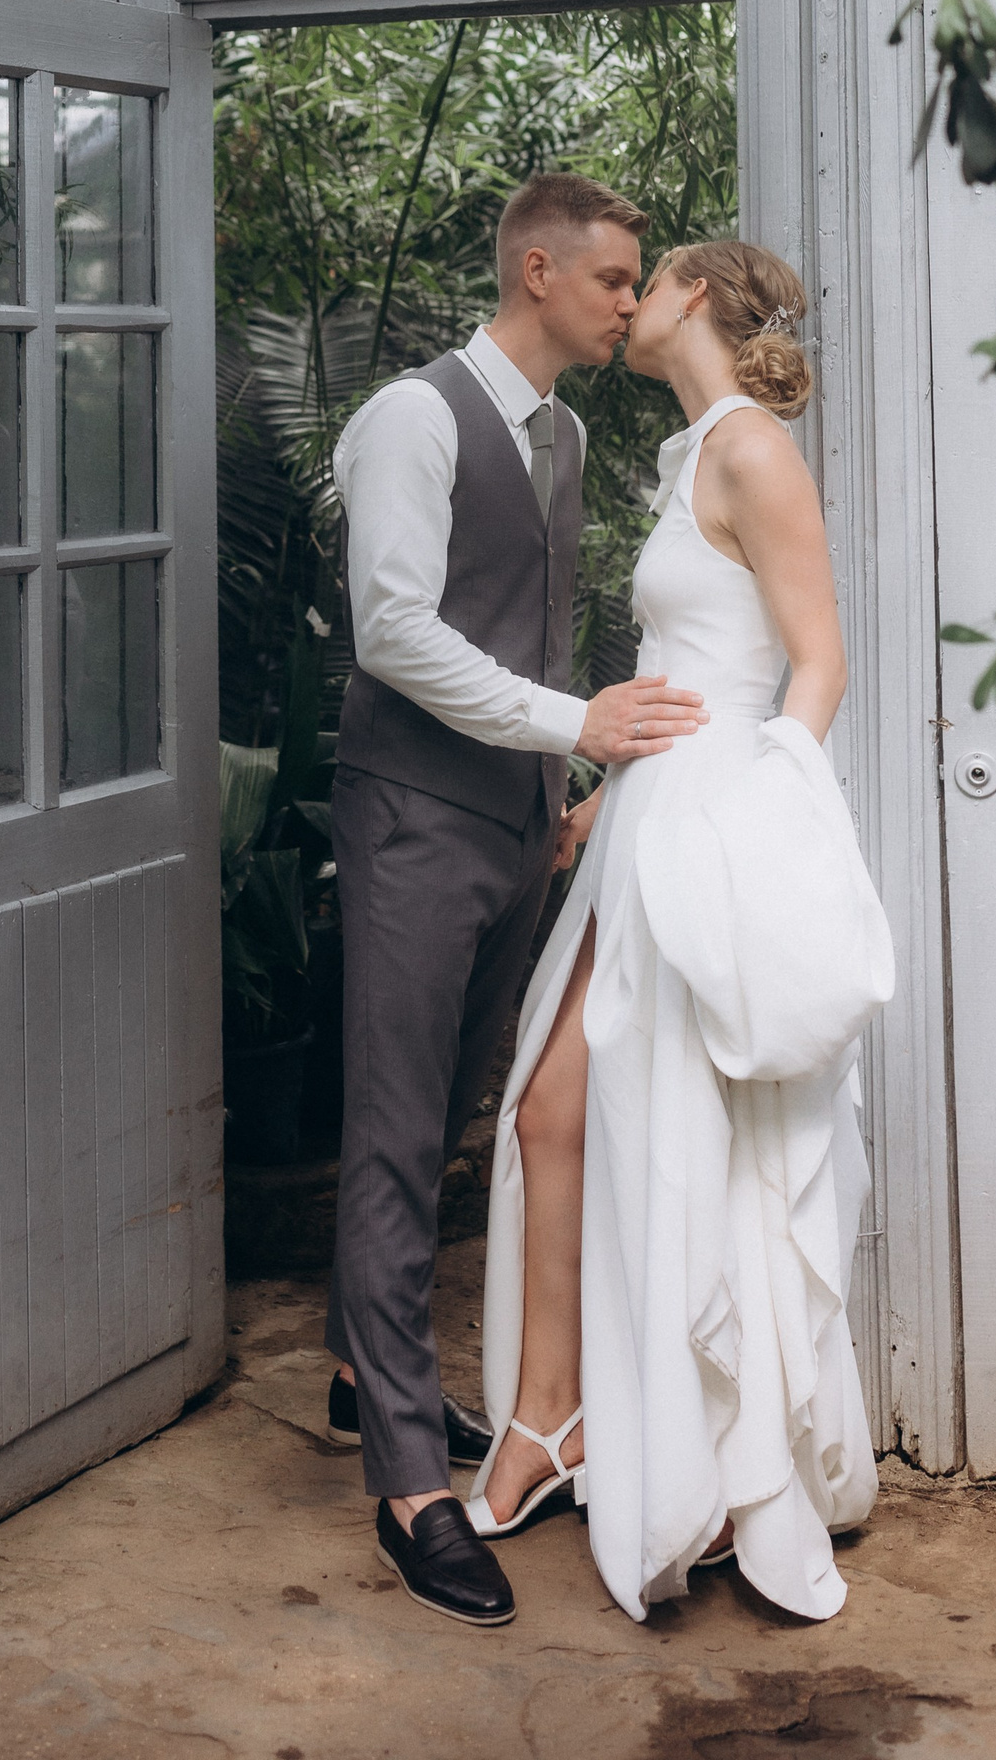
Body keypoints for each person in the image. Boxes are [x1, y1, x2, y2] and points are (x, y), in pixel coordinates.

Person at [468, 240, 894, 1623]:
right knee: (553, 1110)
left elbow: (816, 664)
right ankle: (557, 1419)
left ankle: (678, 1455)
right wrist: (612, 790)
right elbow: (691, 663)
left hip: (712, 836)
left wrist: (753, 823)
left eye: (648, 280)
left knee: (663, 1137)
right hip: (649, 820)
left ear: (695, 296)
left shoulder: (753, 449)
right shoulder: (692, 450)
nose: (629, 299)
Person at [323, 175, 709, 1629]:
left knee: (442, 1120)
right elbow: (392, 630)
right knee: (392, 1128)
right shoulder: (412, 420)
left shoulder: (569, 435)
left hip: (516, 826)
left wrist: (561, 790)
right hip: (413, 821)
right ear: (537, 272)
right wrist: (573, 726)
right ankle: (410, 1488)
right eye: (613, 280)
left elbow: (533, 618)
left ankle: (361, 1371)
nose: (630, 304)